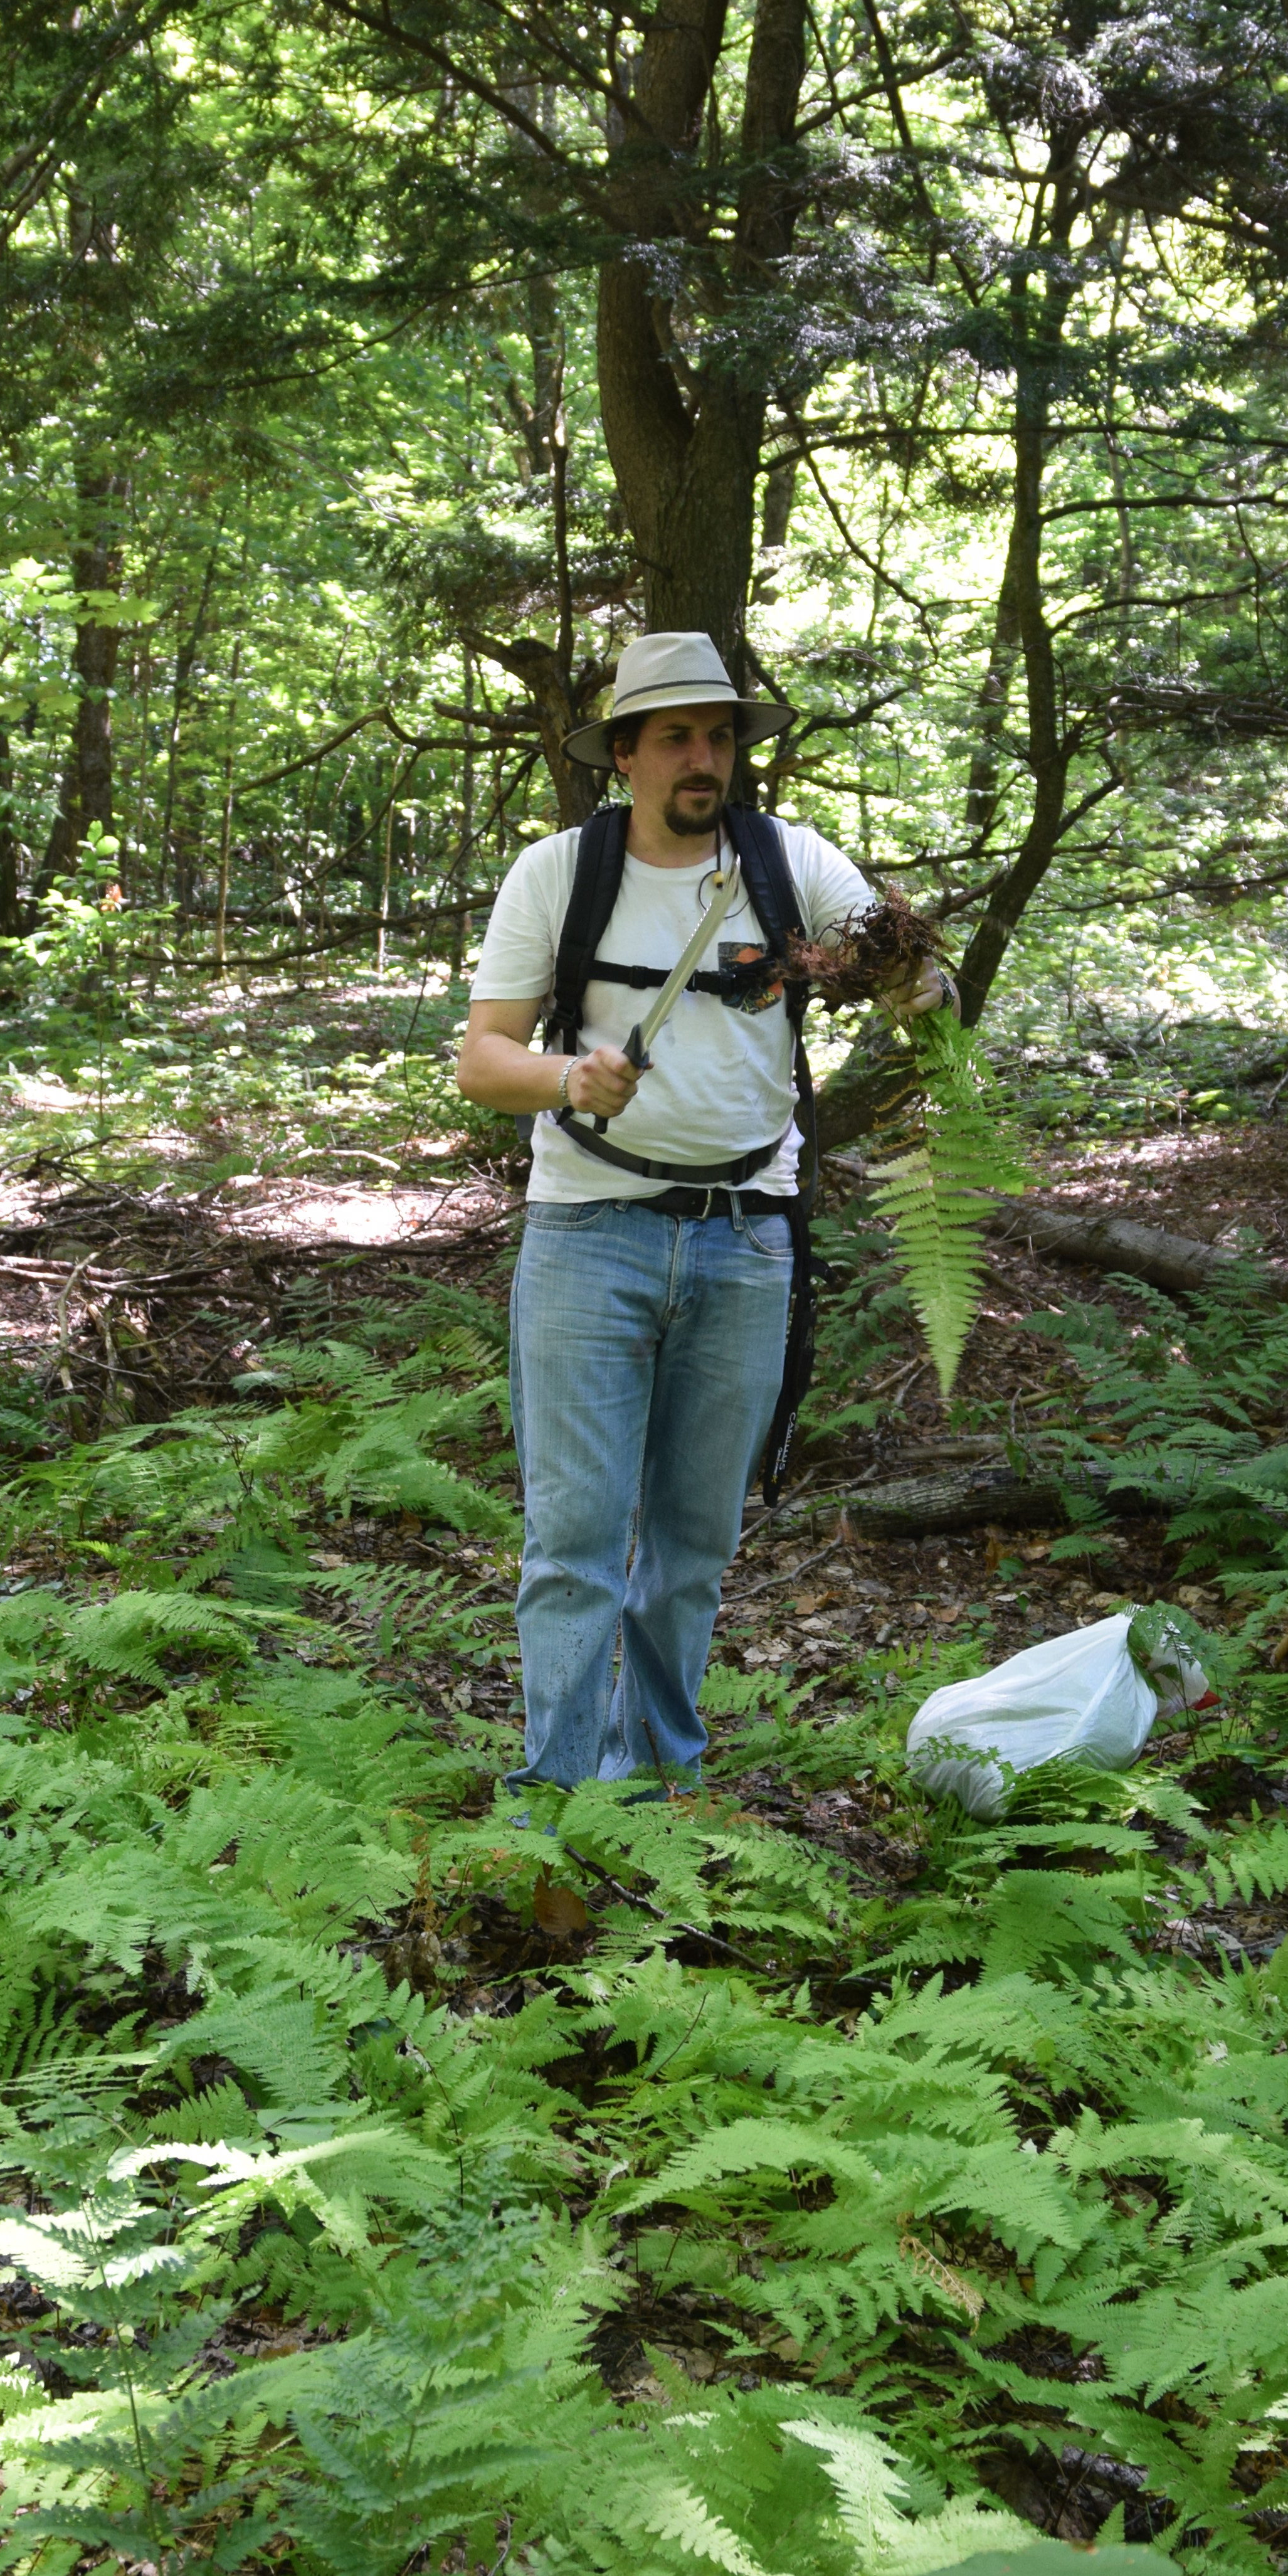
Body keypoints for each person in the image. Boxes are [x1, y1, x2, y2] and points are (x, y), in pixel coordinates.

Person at [457, 630, 921, 1796]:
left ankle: (659, 1786)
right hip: (585, 1237)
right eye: (676, 737)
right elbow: (481, 1061)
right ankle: (557, 1802)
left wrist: (912, 975)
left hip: (748, 1238)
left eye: (719, 736)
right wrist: (567, 1078)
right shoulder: (557, 874)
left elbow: (911, 979)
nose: (703, 757)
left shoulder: (793, 863)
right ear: (625, 755)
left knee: (694, 1552)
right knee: (572, 1545)